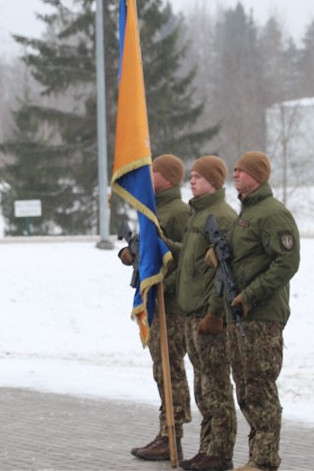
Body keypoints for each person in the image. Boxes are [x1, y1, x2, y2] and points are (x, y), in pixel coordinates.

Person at [224, 152, 300, 471]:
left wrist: (251, 295)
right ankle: (257, 456)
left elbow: (287, 262)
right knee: (245, 388)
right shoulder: (247, 213)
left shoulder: (273, 214)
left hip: (262, 315)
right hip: (241, 315)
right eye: (235, 169)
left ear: (257, 176)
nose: (235, 174)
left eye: (242, 170)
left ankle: (265, 459)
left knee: (260, 387)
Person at [123, 154, 192, 461]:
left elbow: (186, 260)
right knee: (161, 371)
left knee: (170, 369)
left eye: (154, 171)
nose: (148, 174)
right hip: (156, 302)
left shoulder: (178, 212)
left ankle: (172, 436)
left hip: (172, 305)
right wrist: (131, 255)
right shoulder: (152, 210)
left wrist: (165, 284)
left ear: (167, 178)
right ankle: (165, 432)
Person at [176, 156, 238, 471]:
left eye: (198, 177)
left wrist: (215, 313)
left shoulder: (222, 217)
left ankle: (221, 453)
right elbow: (192, 264)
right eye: (191, 176)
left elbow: (223, 274)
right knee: (203, 388)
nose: (192, 180)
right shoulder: (198, 215)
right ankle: (207, 448)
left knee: (216, 386)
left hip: (208, 317)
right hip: (191, 314)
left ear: (213, 181)